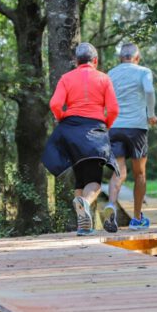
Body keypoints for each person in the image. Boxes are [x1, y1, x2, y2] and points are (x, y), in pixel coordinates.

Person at [41, 43, 119, 236]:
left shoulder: (66, 78)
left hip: (71, 132)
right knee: (94, 182)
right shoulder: (103, 78)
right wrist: (106, 125)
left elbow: (55, 104)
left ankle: (83, 226)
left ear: (76, 61)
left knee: (80, 180)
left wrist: (62, 119)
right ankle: (85, 202)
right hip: (94, 131)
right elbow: (113, 109)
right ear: (95, 60)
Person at [102, 43, 157, 232]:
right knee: (139, 173)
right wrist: (151, 114)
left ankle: (111, 204)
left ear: (120, 58)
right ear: (137, 58)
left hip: (115, 127)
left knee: (119, 171)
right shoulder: (144, 71)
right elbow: (149, 91)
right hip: (137, 128)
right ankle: (136, 219)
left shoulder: (111, 73)